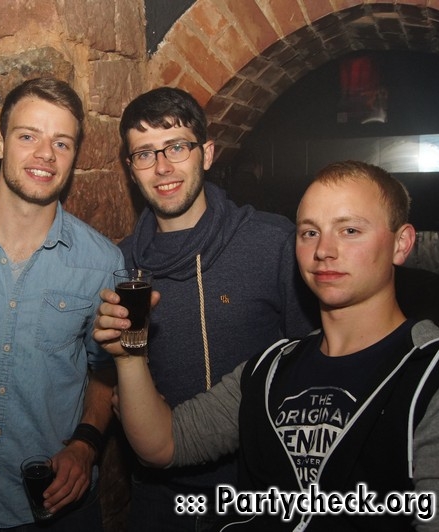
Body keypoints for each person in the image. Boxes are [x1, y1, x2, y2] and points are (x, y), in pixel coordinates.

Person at [95, 160, 439, 530]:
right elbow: (163, 444)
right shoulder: (270, 370)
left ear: (402, 244)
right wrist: (129, 356)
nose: (324, 250)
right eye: (309, 232)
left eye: (350, 230)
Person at [115, 87, 317, 530]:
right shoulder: (121, 265)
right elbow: (109, 374)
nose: (162, 167)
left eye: (177, 147)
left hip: (259, 492)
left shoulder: (272, 243)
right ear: (131, 170)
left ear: (206, 154)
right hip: (159, 496)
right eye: (145, 154)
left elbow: (316, 364)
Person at [0, 77, 124, 531]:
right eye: (28, 136)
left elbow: (106, 369)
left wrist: (85, 444)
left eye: (61, 143)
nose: (46, 154)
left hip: (57, 509)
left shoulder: (102, 262)